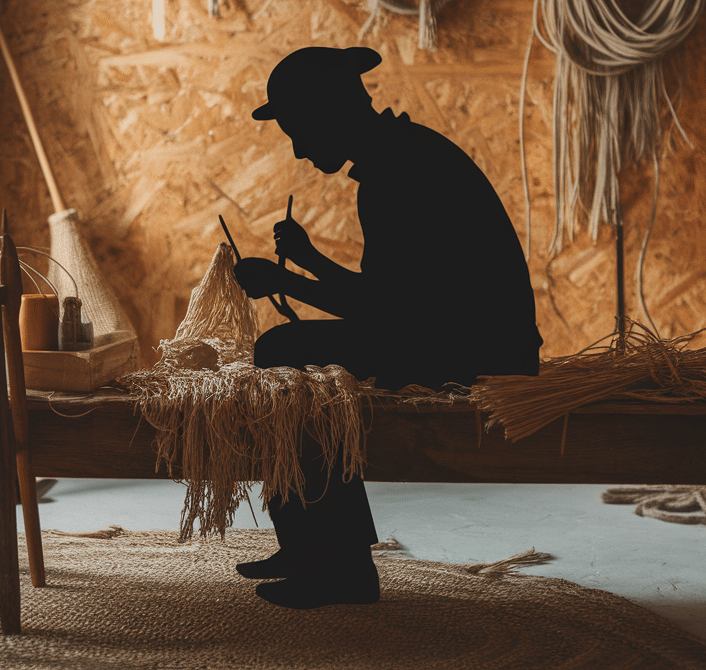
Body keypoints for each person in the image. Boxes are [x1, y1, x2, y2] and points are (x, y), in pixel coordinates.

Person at [232, 45, 542, 609]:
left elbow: (386, 313)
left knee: (282, 352)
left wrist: (291, 283)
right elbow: (396, 299)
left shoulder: (397, 175)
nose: (299, 148)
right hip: (456, 334)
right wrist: (305, 261)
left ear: (329, 113)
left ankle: (340, 565)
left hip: (478, 351)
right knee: (285, 351)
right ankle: (308, 545)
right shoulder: (404, 154)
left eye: (301, 130)